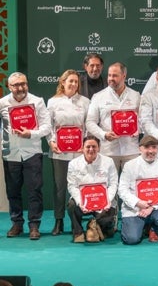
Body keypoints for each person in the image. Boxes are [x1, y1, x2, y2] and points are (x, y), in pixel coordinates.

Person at [0, 72, 52, 239]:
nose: (20, 87)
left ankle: (34, 225)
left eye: (23, 84)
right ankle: (17, 223)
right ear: (9, 87)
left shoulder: (37, 101)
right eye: (16, 85)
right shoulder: (2, 103)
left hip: (32, 152)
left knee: (34, 190)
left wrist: (30, 133)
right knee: (13, 190)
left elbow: (46, 127)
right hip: (10, 153)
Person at [46, 69, 90, 236]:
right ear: (62, 82)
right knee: (59, 187)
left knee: (79, 186)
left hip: (79, 152)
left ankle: (76, 221)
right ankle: (59, 220)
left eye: (76, 82)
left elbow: (87, 125)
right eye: (70, 81)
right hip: (59, 152)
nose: (73, 84)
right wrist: (51, 142)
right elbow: (48, 125)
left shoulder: (85, 101)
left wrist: (85, 143)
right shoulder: (52, 102)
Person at [85, 62, 141, 174]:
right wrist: (104, 135)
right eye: (109, 75)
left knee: (131, 187)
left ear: (124, 76)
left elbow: (143, 120)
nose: (111, 78)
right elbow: (90, 122)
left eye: (115, 76)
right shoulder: (98, 97)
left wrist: (138, 130)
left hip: (131, 150)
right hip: (108, 151)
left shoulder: (136, 96)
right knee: (109, 186)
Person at [118, 135, 158, 244]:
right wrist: (138, 203)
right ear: (140, 148)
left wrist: (152, 207)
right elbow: (122, 190)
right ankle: (137, 225)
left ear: (157, 149)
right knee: (131, 239)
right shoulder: (129, 165)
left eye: (154, 147)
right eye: (147, 147)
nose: (151, 151)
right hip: (135, 208)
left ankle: (153, 229)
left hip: (155, 208)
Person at [67, 136, 118, 242]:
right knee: (72, 205)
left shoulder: (109, 162)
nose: (91, 149)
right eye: (88, 147)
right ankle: (78, 232)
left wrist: (106, 201)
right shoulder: (73, 164)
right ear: (82, 148)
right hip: (84, 202)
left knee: (109, 233)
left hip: (103, 202)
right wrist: (81, 202)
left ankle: (95, 225)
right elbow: (72, 186)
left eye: (94, 146)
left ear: (99, 148)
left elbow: (113, 184)